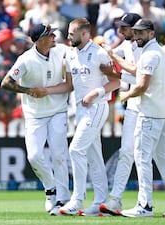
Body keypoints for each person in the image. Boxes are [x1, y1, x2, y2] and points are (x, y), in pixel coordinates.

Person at [99, 13, 165, 217]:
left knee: (142, 157)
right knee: (162, 158)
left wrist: (125, 95)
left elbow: (140, 83)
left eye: (140, 32)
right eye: (136, 32)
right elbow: (133, 70)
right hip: (156, 110)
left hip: (148, 111)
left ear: (150, 33)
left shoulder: (150, 53)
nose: (135, 35)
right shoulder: (148, 49)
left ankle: (145, 205)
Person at [0, 23, 72, 215]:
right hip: (34, 115)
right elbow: (6, 82)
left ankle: (63, 199)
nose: (55, 37)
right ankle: (51, 189)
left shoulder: (61, 50)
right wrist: (28, 91)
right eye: (50, 35)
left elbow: (77, 50)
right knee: (34, 156)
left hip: (58, 110)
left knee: (59, 155)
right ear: (40, 40)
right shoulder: (26, 60)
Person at [58, 17, 120, 216]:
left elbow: (116, 82)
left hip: (97, 108)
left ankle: (77, 199)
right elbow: (68, 86)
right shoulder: (70, 54)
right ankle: (101, 201)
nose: (68, 37)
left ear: (85, 34)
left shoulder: (99, 53)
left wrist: (96, 93)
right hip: (80, 111)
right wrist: (43, 90)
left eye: (72, 33)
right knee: (94, 156)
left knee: (75, 150)